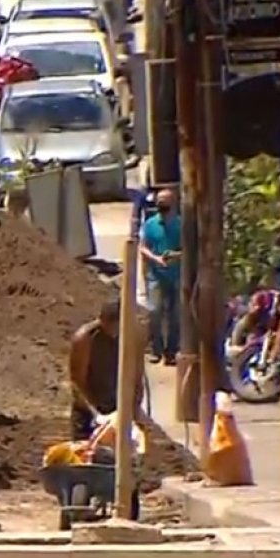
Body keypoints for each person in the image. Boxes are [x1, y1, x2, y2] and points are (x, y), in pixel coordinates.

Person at [69, 299, 146, 440]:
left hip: (118, 406)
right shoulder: (85, 339)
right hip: (90, 408)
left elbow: (137, 374)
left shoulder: (135, 336)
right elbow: (77, 381)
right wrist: (97, 414)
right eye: (109, 326)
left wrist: (135, 409)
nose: (113, 331)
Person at [140, 188, 182, 364]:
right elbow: (143, 247)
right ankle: (156, 349)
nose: (161, 205)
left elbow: (191, 250)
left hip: (178, 274)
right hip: (155, 275)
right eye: (159, 202)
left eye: (165, 202)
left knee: (176, 315)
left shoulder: (182, 225)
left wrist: (176, 256)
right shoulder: (150, 224)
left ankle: (171, 351)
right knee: (154, 312)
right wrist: (156, 259)